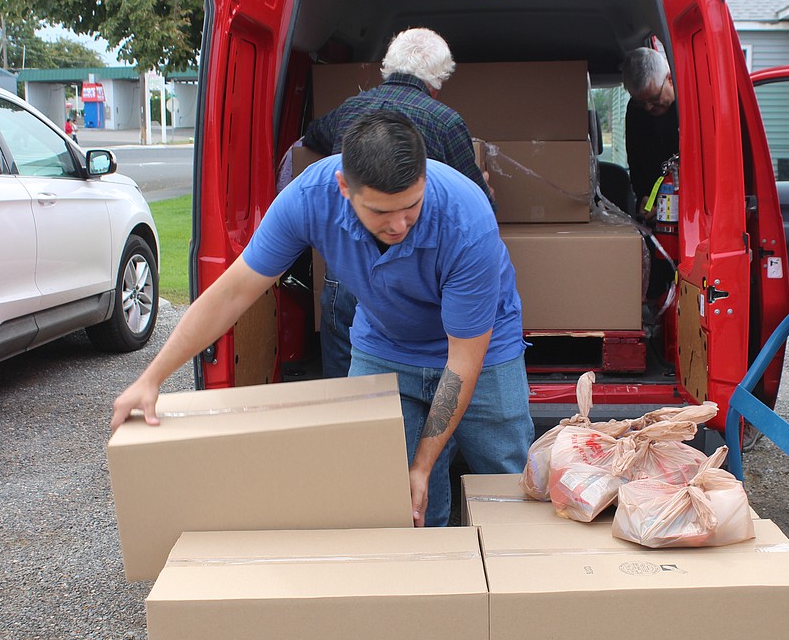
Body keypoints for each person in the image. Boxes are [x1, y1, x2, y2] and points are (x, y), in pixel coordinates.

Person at [111, 110, 532, 528]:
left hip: (480, 350)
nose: (399, 224)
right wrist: (151, 378)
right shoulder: (309, 199)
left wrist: (422, 465)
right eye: (381, 213)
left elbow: (461, 362)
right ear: (344, 188)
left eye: (411, 207)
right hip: (386, 345)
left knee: (510, 481)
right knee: (391, 497)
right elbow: (233, 291)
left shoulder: (466, 219)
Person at [303, 27, 493, 379]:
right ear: (437, 83)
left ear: (387, 69)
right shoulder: (445, 122)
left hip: (345, 268)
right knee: (412, 373)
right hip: (414, 277)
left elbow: (313, 135)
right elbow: (478, 206)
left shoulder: (351, 110)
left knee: (344, 386)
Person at [622, 47, 678, 215]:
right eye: (641, 102)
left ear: (669, 79)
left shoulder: (691, 107)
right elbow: (635, 158)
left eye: (654, 99)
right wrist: (643, 196)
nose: (648, 108)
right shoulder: (635, 110)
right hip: (653, 203)